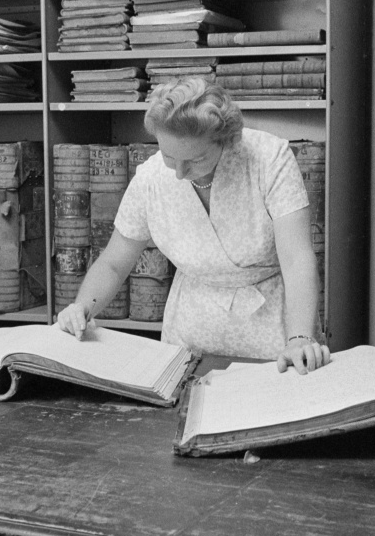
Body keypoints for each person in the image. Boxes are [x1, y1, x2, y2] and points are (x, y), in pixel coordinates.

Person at [57, 77, 331, 374]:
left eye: (195, 160)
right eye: (168, 157)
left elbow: (297, 259)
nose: (178, 173)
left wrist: (300, 337)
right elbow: (113, 263)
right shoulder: (151, 179)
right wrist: (84, 307)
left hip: (275, 335)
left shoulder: (268, 159)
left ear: (226, 141)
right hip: (190, 337)